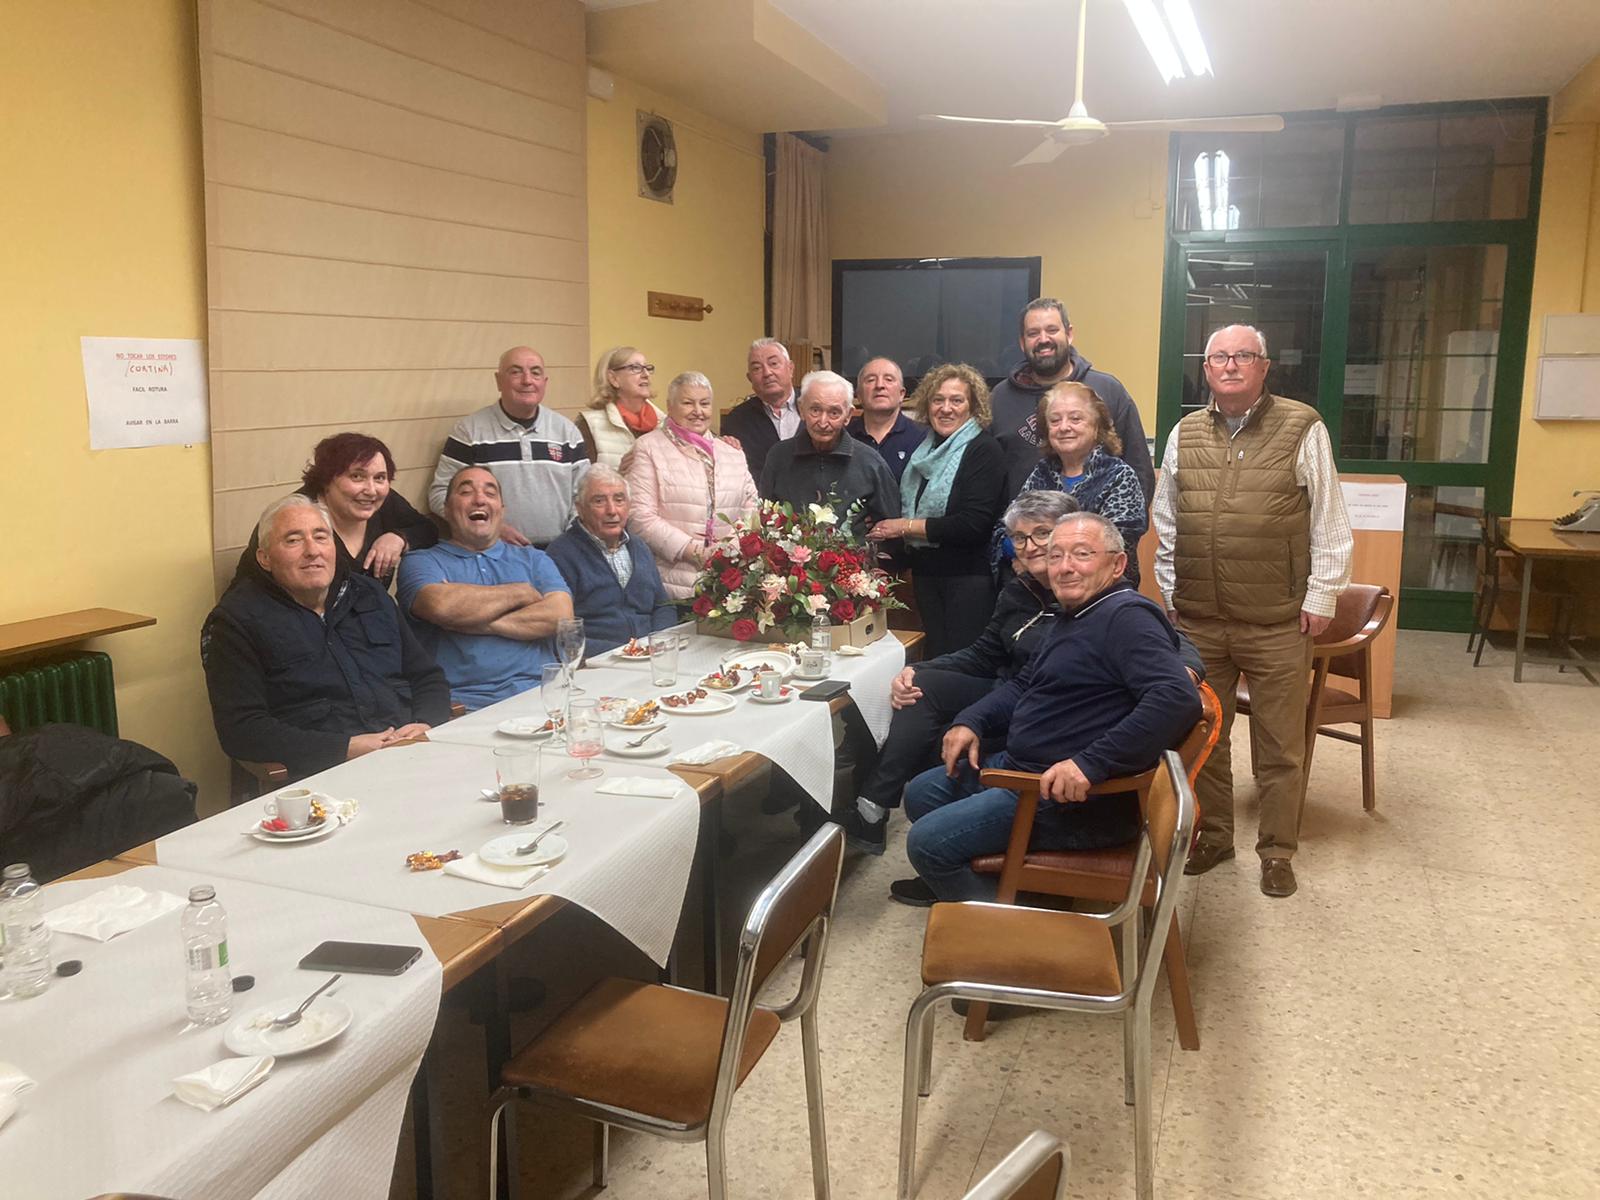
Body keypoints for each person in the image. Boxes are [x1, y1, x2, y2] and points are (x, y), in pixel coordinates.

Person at [892, 512, 1202, 905]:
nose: (1065, 567)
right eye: (1056, 556)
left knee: (926, 845)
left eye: (1082, 554)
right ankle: (1006, 887)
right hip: (1026, 769)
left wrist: (1091, 763)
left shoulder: (1126, 617)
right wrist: (972, 719)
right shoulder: (1073, 613)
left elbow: (1176, 697)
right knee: (922, 794)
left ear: (1118, 564)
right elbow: (1025, 684)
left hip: (1069, 800)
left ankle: (1022, 928)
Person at [1153, 323, 1353, 899]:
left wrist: (1321, 596)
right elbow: (1168, 519)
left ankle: (1277, 850)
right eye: (1219, 356)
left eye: (1244, 355)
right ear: (1206, 367)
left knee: (1280, 745)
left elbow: (1329, 520)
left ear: (1265, 366)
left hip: (1277, 621)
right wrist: (1172, 595)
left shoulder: (1301, 425)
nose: (1231, 365)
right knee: (1205, 735)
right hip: (1200, 620)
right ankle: (1214, 836)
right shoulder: (1185, 430)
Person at [202, 495, 451, 780]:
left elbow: (427, 676)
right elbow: (241, 729)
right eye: (293, 540)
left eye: (321, 537)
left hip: (411, 753)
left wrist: (427, 722)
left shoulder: (370, 594)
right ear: (265, 558)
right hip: (324, 775)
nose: (312, 551)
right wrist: (345, 748)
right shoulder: (235, 620)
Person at [399, 467, 574, 711]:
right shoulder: (421, 561)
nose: (479, 499)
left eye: (490, 493)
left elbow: (561, 616)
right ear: (446, 509)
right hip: (465, 706)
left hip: (544, 696)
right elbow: (440, 606)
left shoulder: (534, 559)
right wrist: (521, 592)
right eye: (466, 491)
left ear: (502, 511)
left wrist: (471, 620)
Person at [866, 363, 1007, 659]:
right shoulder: (924, 451)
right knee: (935, 659)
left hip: (969, 580)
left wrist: (904, 526)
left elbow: (972, 525)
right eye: (938, 399)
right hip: (927, 577)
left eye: (957, 400)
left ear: (973, 406)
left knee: (961, 667)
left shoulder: (984, 450)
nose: (946, 408)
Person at [989, 298, 1154, 501]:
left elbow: (1139, 469)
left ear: (1069, 334)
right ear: (1022, 343)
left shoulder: (1108, 390)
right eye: (1033, 333)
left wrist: (1125, 527)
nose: (1043, 339)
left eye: (1052, 330)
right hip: (1021, 530)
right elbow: (988, 477)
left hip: (1096, 530)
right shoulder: (999, 399)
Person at [428, 345, 589, 547]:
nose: (527, 380)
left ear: (545, 382)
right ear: (498, 381)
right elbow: (440, 494)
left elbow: (585, 494)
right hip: (495, 552)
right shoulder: (469, 432)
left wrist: (571, 538)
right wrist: (492, 527)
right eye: (515, 372)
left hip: (562, 551)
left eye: (535, 373)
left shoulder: (567, 432)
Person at [233, 432, 437, 589]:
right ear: (327, 479)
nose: (371, 490)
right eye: (357, 476)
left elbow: (428, 530)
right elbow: (248, 597)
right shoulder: (291, 516)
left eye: (380, 478)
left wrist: (398, 538)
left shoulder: (384, 502)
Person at [624, 371, 761, 600]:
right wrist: (694, 551)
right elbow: (639, 517)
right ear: (669, 406)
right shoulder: (648, 448)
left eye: (705, 403)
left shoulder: (732, 453)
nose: (698, 411)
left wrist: (728, 551)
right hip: (670, 585)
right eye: (688, 403)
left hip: (728, 583)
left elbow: (751, 511)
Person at [1003, 381, 1148, 584]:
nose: (1063, 427)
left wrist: (1035, 556)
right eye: (1054, 421)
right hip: (1042, 594)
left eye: (1075, 418)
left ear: (1096, 426)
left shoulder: (1118, 475)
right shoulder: (1041, 473)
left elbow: (1113, 544)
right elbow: (1008, 530)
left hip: (1102, 593)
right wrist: (1018, 550)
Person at [546, 465, 677, 654]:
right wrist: (623, 652)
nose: (612, 510)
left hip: (649, 654)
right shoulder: (561, 554)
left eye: (619, 499)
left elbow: (663, 606)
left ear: (629, 506)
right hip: (597, 661)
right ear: (580, 509)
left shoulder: (639, 547)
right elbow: (562, 631)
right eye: (599, 501)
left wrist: (656, 641)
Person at [759, 370, 901, 534]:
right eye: (815, 410)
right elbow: (766, 519)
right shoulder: (779, 456)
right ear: (801, 409)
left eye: (834, 413)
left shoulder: (870, 462)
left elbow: (891, 529)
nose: (823, 422)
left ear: (848, 416)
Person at [720, 337, 800, 481]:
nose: (767, 373)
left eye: (774, 364)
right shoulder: (737, 421)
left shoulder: (815, 408)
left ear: (791, 368)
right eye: (757, 368)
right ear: (750, 378)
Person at [577, 345, 666, 469]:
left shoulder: (665, 424)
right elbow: (581, 482)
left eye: (647, 368)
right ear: (613, 378)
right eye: (635, 368)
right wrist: (620, 474)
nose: (646, 374)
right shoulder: (590, 424)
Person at [847, 357, 923, 481]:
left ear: (902, 394)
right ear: (859, 395)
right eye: (871, 380)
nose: (880, 385)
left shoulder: (922, 437)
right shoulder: (844, 437)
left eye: (888, 379)